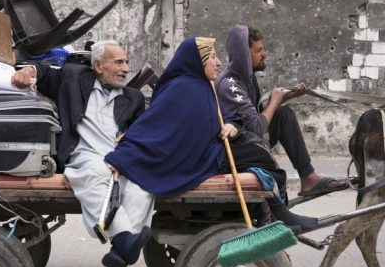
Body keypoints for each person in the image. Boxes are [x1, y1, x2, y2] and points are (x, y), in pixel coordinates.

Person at [105, 36, 318, 231]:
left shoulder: (200, 84)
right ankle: (276, 216)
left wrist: (231, 125)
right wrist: (126, 149)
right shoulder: (184, 88)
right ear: (198, 61)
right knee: (259, 155)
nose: (218, 63)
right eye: (213, 58)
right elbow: (155, 124)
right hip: (195, 155)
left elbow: (219, 116)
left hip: (205, 147)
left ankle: (275, 214)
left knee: (257, 151)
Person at [11, 41, 153, 267]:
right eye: (118, 62)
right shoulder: (74, 77)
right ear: (98, 66)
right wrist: (29, 70)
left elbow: (141, 130)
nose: (126, 68)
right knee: (94, 171)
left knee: (143, 186)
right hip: (83, 153)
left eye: (127, 62)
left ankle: (120, 249)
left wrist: (128, 144)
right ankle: (124, 239)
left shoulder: (134, 98)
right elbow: (45, 73)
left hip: (118, 158)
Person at [217, 25, 349, 198]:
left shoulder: (247, 77)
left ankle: (308, 177)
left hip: (247, 137)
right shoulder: (230, 84)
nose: (265, 54)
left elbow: (257, 112)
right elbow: (256, 127)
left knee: (283, 115)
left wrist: (290, 95)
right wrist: (275, 101)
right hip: (236, 148)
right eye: (259, 50)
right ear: (244, 54)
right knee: (279, 113)